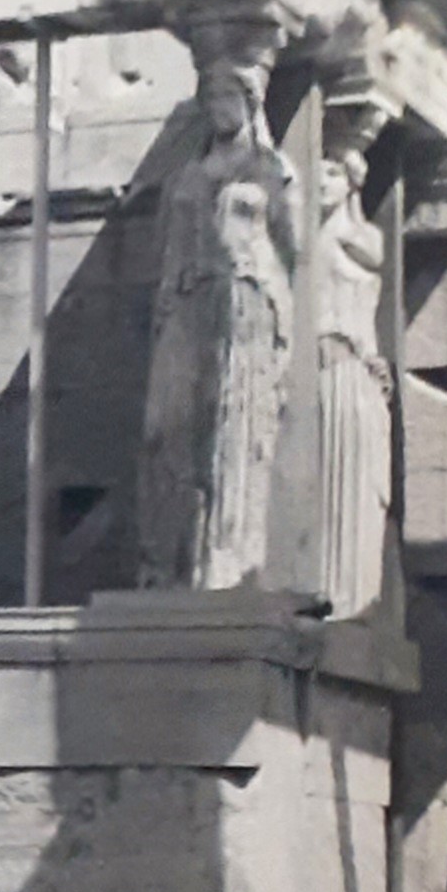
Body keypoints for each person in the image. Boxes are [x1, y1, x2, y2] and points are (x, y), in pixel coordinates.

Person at [135, 59, 301, 591]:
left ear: (250, 102)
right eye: (211, 96)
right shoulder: (186, 174)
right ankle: (166, 561)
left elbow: (297, 250)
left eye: (229, 94)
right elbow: (164, 244)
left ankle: (228, 560)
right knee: (168, 428)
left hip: (244, 305)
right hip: (186, 304)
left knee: (235, 435)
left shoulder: (273, 172)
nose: (219, 105)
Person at [314, 133, 395, 616]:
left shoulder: (362, 239)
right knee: (324, 488)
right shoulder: (307, 239)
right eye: (318, 171)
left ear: (350, 183)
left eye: (332, 172)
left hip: (353, 370)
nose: (322, 182)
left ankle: (352, 602)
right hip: (319, 372)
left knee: (352, 488)